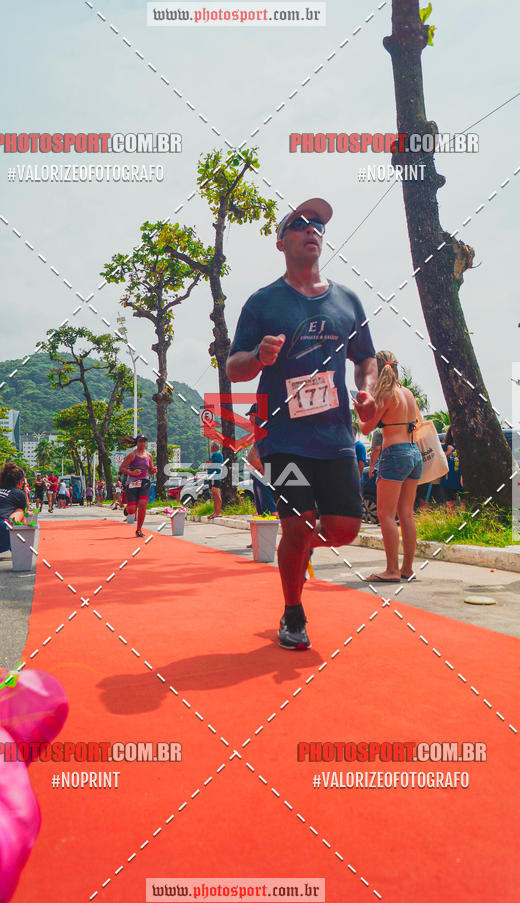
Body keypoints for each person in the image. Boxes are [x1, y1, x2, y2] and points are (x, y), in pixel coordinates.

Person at [227, 197, 377, 650]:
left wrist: (365, 389)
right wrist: (258, 356)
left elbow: (365, 356)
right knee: (297, 524)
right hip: (282, 437)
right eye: (300, 223)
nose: (312, 228)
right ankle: (293, 614)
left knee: (345, 529)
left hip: (334, 436)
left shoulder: (348, 300)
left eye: (318, 224)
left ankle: (296, 552)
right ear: (282, 241)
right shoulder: (263, 302)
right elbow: (234, 366)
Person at [358, 350, 423, 583]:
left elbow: (365, 429)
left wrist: (359, 412)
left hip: (394, 453)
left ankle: (391, 571)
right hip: (414, 453)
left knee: (386, 514)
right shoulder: (407, 393)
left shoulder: (384, 395)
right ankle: (407, 569)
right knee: (406, 514)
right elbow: (418, 421)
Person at [118, 435, 157, 538]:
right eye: (140, 441)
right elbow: (122, 468)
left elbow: (150, 469)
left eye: (144, 441)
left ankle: (139, 529)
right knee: (132, 510)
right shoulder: (132, 455)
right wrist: (132, 472)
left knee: (143, 504)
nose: (142, 443)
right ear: (137, 443)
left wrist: (153, 470)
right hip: (133, 482)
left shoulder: (149, 456)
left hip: (145, 482)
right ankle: (127, 510)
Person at [434, 426, 463, 511]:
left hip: (462, 481)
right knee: (451, 506)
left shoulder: (466, 447)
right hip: (448, 481)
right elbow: (438, 461)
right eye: (454, 431)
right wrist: (448, 452)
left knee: (465, 505)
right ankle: (453, 523)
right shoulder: (445, 447)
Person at [205, 442, 224, 519]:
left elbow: (210, 463)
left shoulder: (217, 454)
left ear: (213, 447)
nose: (210, 448)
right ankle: (216, 512)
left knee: (216, 493)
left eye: (211, 446)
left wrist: (208, 462)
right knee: (214, 494)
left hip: (215, 475)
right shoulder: (216, 454)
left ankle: (218, 512)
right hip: (214, 476)